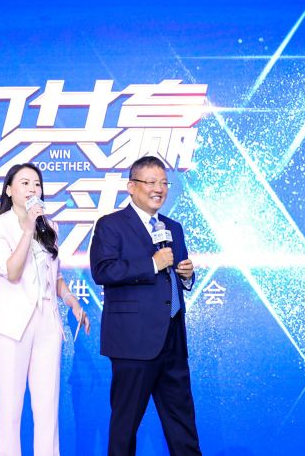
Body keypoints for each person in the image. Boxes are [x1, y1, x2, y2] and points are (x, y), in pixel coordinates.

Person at [90, 156, 202, 455]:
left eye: (163, 183)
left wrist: (187, 275)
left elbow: (174, 275)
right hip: (133, 341)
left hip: (172, 338)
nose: (159, 189)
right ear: (131, 186)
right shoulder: (111, 225)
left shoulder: (173, 227)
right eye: (151, 182)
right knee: (125, 425)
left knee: (182, 423)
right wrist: (151, 264)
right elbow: (103, 271)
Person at [0, 162, 90, 456]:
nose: (32, 189)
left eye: (37, 184)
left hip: (47, 323)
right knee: (9, 410)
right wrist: (28, 227)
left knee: (47, 409)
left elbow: (55, 276)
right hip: (11, 325)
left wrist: (72, 301)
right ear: (9, 190)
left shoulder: (49, 227)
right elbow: (13, 272)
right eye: (25, 183)